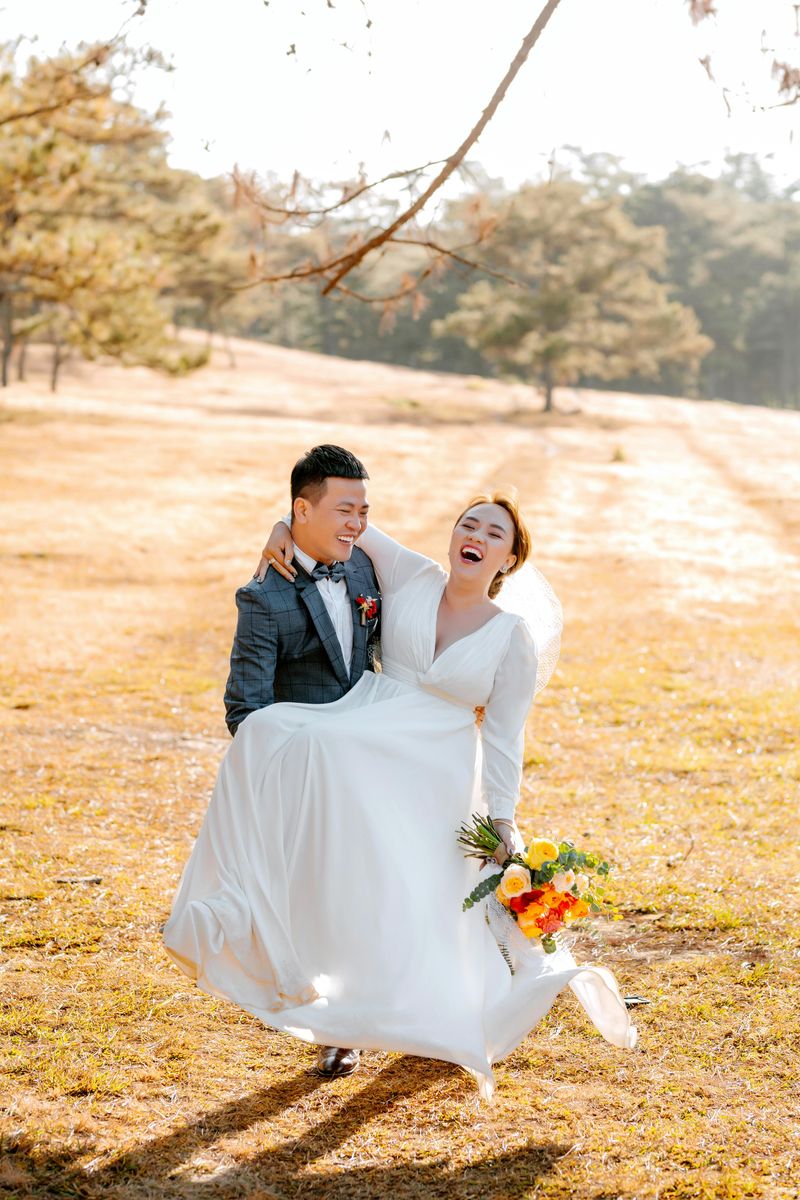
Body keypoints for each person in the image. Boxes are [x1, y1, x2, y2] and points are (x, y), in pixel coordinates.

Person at [162, 487, 636, 1102]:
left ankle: (397, 1011)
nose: (477, 536)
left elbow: (504, 737)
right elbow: (343, 525)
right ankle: (336, 1012)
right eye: (469, 524)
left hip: (437, 763)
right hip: (367, 731)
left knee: (409, 896)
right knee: (274, 741)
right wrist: (283, 525)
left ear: (510, 559)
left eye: (495, 534)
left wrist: (503, 817)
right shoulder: (412, 573)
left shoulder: (510, 636)